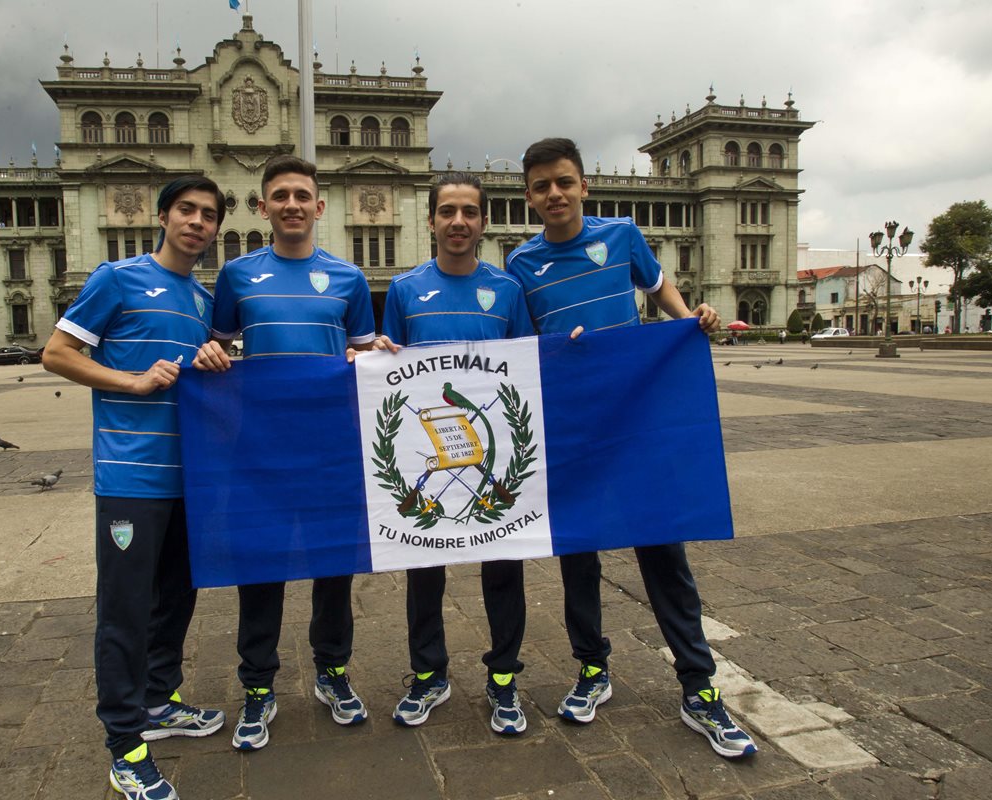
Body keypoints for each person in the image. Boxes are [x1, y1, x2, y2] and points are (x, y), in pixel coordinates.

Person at [506, 137, 757, 759]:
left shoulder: (621, 236)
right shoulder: (520, 266)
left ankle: (699, 688)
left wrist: (685, 323)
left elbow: (660, 288)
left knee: (663, 552)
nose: (554, 194)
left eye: (564, 182)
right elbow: (516, 349)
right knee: (578, 558)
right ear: (530, 196)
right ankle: (593, 669)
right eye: (541, 186)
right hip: (570, 431)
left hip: (635, 423)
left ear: (584, 186)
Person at [193, 155, 394, 751]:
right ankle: (258, 686)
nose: (291, 205)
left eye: (301, 195)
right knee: (261, 566)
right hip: (259, 451)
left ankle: (333, 672)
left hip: (332, 449)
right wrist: (208, 356)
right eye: (279, 196)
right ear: (263, 206)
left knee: (334, 565)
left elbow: (361, 355)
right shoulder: (236, 276)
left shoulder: (349, 279)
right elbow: (218, 346)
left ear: (319, 205)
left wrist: (376, 355)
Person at [43, 176, 228, 800]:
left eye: (208, 215)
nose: (197, 223)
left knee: (175, 598)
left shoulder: (202, 301)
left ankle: (158, 699)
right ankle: (125, 745)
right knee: (124, 610)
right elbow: (57, 353)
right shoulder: (116, 279)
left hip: (188, 478)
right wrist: (129, 381)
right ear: (163, 215)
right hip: (130, 478)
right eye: (187, 210)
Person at [380, 172, 534, 735]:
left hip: (491, 456)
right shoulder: (403, 290)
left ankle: (503, 678)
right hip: (430, 452)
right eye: (447, 211)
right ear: (431, 221)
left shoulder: (508, 291)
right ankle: (428, 675)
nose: (458, 222)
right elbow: (390, 370)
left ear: (483, 221)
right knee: (423, 571)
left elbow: (526, 369)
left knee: (504, 571)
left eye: (469, 211)